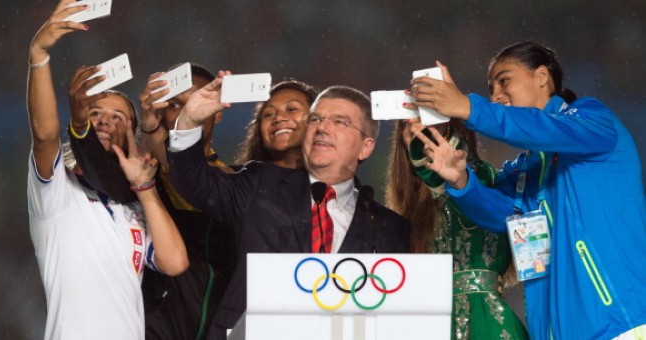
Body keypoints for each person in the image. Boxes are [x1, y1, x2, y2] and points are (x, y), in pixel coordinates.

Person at [407, 42, 646, 339]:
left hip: (616, 322)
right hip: (555, 331)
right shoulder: (524, 169)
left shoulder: (593, 119)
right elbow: (501, 216)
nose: (494, 95)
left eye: (504, 80)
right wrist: (460, 181)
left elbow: (545, 129)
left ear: (542, 76)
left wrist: (468, 107)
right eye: (490, 87)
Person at [167, 75, 411, 340]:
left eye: (339, 122)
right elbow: (193, 181)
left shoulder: (390, 228)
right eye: (316, 119)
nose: (322, 128)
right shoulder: (258, 184)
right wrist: (190, 121)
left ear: (366, 147)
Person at [26, 2, 188, 339]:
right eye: (95, 111)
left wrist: (145, 189)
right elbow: (44, 135)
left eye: (118, 117)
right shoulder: (56, 189)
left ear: (133, 133)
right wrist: (39, 54)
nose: (104, 121)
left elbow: (175, 263)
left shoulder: (134, 207)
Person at [385, 119, 527, 339]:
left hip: (488, 323)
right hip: (429, 325)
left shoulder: (482, 179)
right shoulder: (406, 207)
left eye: (427, 119)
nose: (418, 130)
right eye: (409, 124)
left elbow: (456, 177)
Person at [137, 63, 236, 340]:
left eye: (193, 103)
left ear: (216, 113)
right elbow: (169, 163)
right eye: (174, 106)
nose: (186, 114)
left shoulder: (236, 182)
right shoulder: (144, 174)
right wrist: (148, 126)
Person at [234, 80, 318, 168]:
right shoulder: (245, 178)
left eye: (292, 109)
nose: (278, 117)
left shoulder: (330, 177)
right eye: (269, 114)